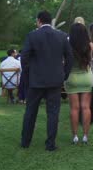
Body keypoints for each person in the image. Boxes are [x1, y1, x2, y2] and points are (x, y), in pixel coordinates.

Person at [21, 11, 73, 151]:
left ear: (39, 21)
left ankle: (25, 142)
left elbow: (24, 58)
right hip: (55, 81)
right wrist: (64, 75)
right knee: (53, 113)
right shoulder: (62, 36)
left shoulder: (32, 35)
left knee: (30, 112)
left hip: (36, 80)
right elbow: (70, 57)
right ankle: (50, 144)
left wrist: (28, 75)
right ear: (50, 21)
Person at [65, 23, 93, 144]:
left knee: (74, 108)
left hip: (72, 78)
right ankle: (85, 136)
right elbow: (90, 61)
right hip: (87, 77)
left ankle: (75, 136)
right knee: (86, 107)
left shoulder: (68, 46)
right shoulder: (90, 45)